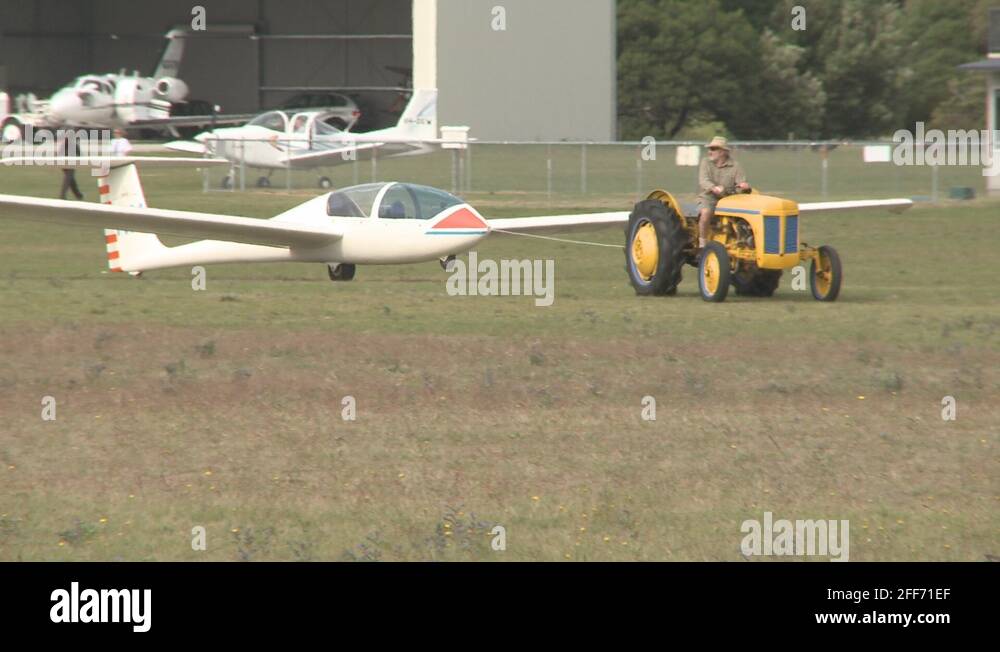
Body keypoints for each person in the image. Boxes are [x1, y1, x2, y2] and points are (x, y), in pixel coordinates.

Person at [697, 136, 750, 248]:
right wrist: (713, 188)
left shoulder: (735, 166)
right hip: (709, 197)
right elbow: (703, 181)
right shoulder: (705, 162)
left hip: (730, 198)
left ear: (723, 152)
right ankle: (702, 243)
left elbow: (741, 184)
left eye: (713, 149)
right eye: (709, 149)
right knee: (706, 213)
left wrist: (744, 187)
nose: (710, 151)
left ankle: (743, 241)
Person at [57, 133, 83, 201]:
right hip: (65, 165)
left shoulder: (74, 145)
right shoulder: (64, 145)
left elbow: (79, 154)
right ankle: (76, 195)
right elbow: (59, 154)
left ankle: (65, 195)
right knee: (70, 180)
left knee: (69, 180)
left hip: (71, 165)